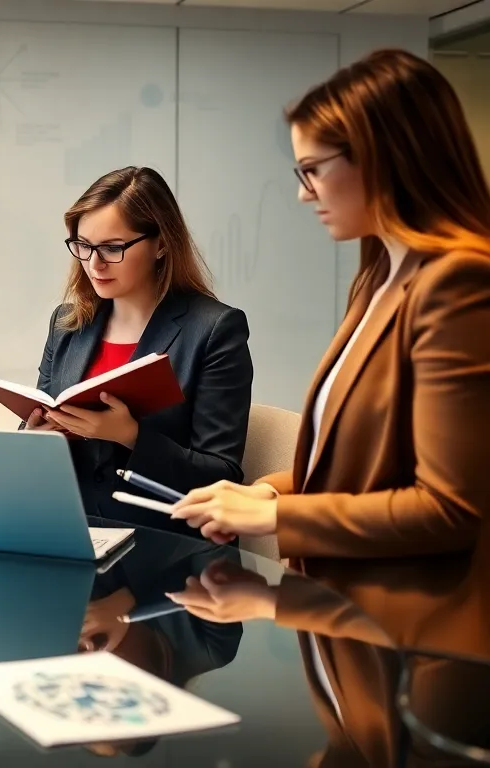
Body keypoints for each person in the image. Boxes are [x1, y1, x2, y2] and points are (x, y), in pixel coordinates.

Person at [172, 49, 490, 562]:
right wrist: (268, 491)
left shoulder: (460, 284)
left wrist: (275, 517)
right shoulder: (377, 279)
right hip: (347, 613)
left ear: (383, 158)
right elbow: (359, 468)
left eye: (313, 170)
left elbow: (447, 509)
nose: (304, 194)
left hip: (414, 625)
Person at [24, 167, 253, 533]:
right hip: (68, 531)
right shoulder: (67, 323)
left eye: (113, 248)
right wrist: (34, 439)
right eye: (83, 246)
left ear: (161, 244)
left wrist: (130, 436)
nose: (94, 264)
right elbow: (34, 420)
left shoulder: (214, 330)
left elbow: (221, 477)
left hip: (163, 545)